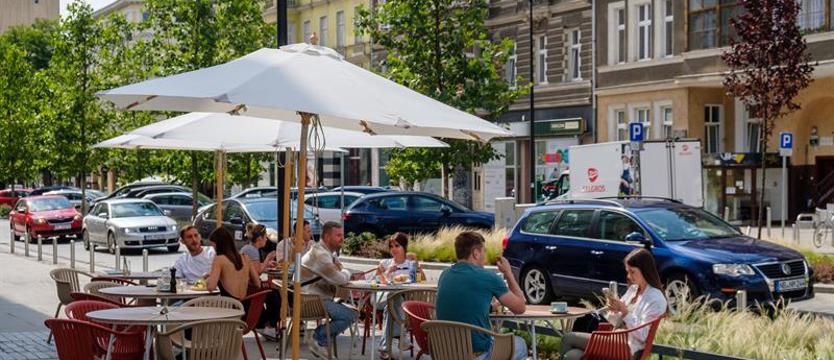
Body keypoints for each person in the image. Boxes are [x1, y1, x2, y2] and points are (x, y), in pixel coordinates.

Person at [436, 231, 528, 360]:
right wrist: (508, 273)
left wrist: (490, 307)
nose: (485, 255)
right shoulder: (488, 277)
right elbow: (520, 308)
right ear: (476, 253)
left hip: (445, 352)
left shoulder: (445, 275)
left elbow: (462, 305)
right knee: (520, 344)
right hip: (476, 355)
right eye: (484, 251)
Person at [561, 249, 667, 360]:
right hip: (614, 340)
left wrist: (625, 312)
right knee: (573, 355)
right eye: (627, 272)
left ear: (645, 270)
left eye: (632, 272)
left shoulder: (655, 298)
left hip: (627, 348)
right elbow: (615, 321)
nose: (629, 276)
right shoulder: (633, 290)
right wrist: (614, 309)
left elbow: (643, 335)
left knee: (567, 338)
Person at [301, 221, 358, 357]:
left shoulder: (326, 253)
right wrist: (348, 272)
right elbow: (341, 279)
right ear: (327, 237)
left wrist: (341, 270)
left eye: (342, 235)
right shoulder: (321, 255)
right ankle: (317, 338)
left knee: (350, 312)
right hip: (309, 300)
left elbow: (338, 270)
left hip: (311, 297)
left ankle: (321, 342)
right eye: (338, 235)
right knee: (349, 315)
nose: (342, 239)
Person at [373, 233, 426, 359]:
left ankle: (385, 349)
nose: (394, 249)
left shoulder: (411, 264)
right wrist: (386, 272)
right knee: (393, 296)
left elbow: (422, 280)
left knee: (389, 308)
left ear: (404, 247)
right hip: (381, 297)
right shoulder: (385, 263)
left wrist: (418, 267)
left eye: (397, 245)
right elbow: (374, 282)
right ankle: (403, 337)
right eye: (391, 246)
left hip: (398, 302)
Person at [242, 223, 281, 340]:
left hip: (246, 285)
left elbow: (254, 268)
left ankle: (268, 325)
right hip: (248, 287)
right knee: (274, 295)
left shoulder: (248, 248)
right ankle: (269, 326)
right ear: (260, 239)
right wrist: (268, 258)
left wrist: (266, 264)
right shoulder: (252, 250)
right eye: (265, 237)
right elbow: (257, 272)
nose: (266, 240)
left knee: (272, 291)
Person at [206, 227, 260, 301]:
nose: (213, 249)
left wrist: (208, 278)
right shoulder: (246, 258)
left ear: (217, 245)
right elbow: (257, 283)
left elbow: (211, 287)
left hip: (229, 308)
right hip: (246, 307)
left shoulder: (219, 259)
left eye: (213, 246)